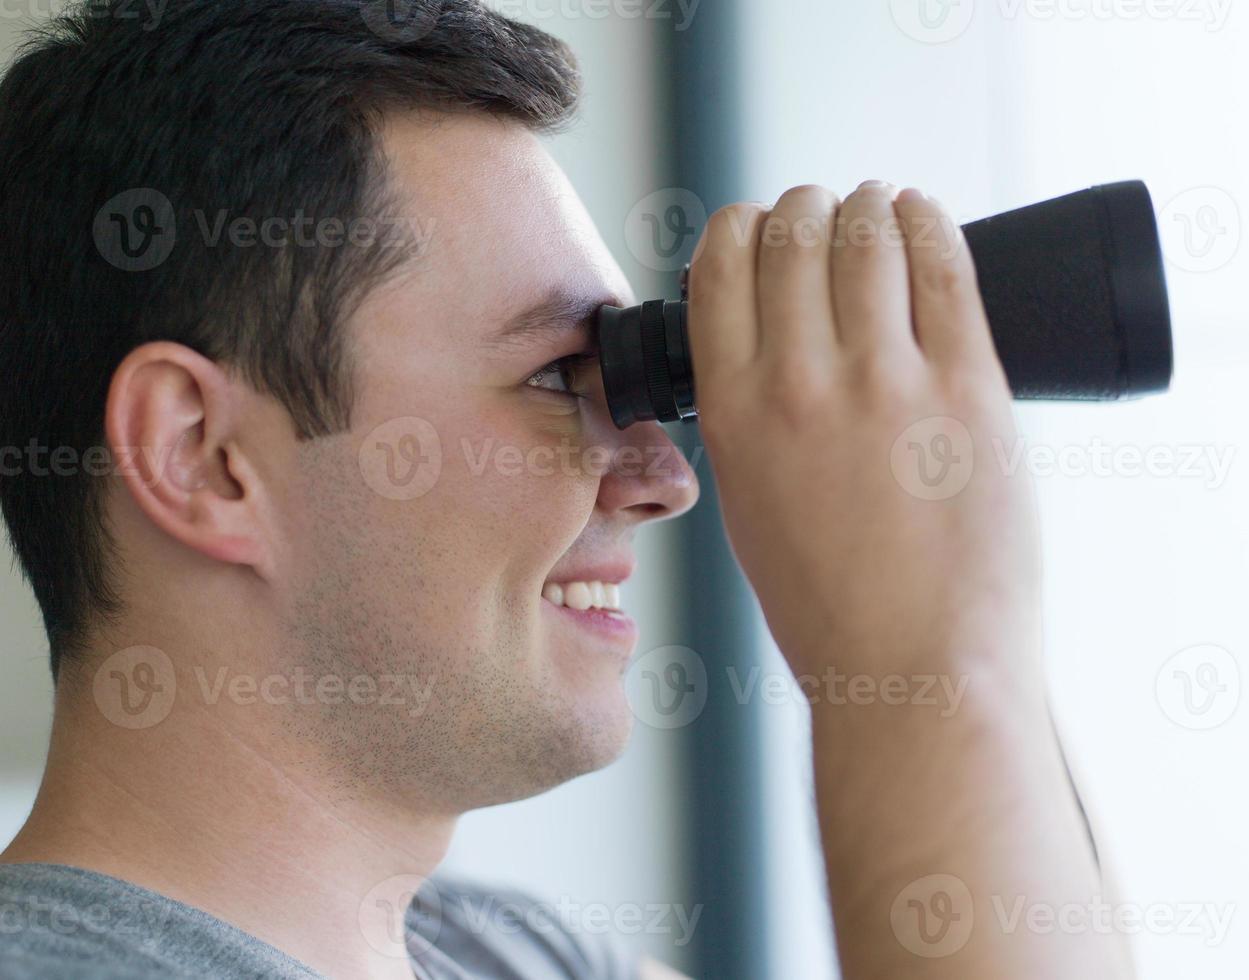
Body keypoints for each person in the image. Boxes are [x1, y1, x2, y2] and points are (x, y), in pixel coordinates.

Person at [0, 0, 1126, 977]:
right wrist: (915, 653)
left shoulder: (504, 950)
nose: (659, 480)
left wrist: (963, 615)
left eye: (624, 375)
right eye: (554, 376)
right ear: (205, 455)